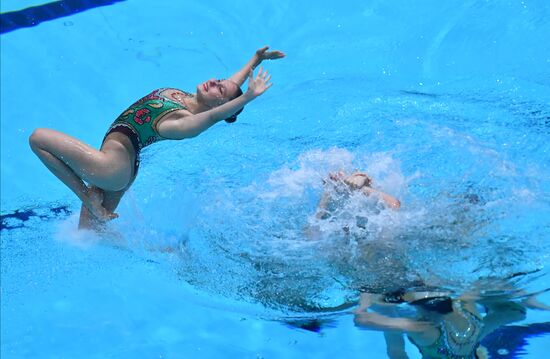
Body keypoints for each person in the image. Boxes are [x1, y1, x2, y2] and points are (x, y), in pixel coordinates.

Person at [29, 46, 285, 229]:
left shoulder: (183, 122)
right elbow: (228, 89)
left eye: (219, 88)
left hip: (112, 167)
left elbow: (213, 116)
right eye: (219, 80)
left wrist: (247, 97)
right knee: (89, 235)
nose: (215, 82)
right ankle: (159, 254)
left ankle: (87, 198)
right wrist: (255, 60)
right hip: (121, 165)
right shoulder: (187, 97)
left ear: (218, 104)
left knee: (37, 138)